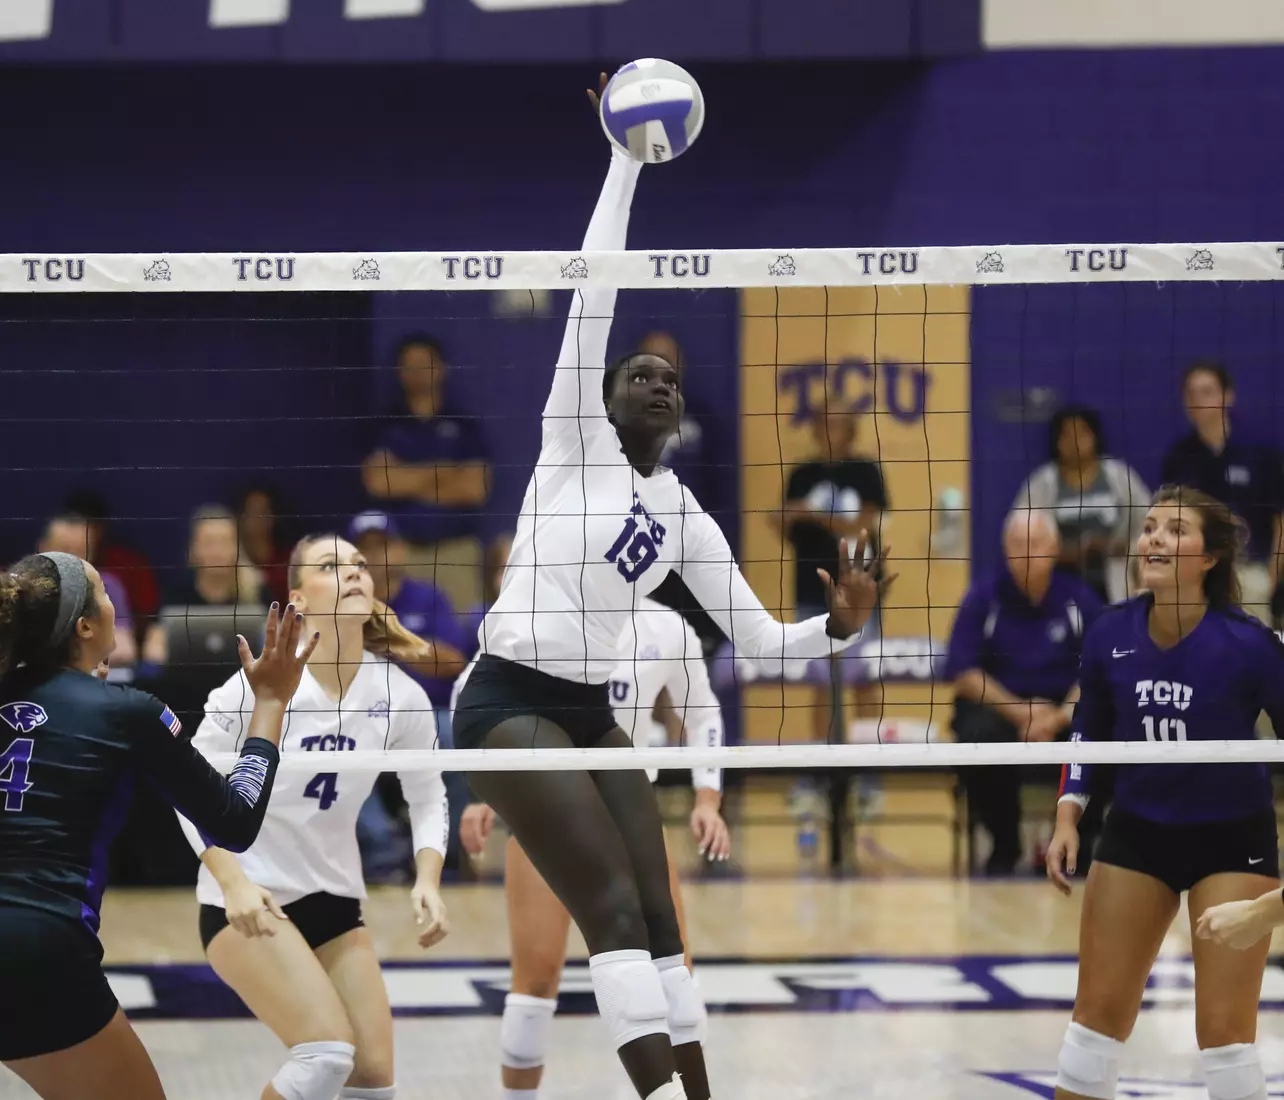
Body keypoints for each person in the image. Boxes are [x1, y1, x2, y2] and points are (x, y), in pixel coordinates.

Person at [451, 82, 887, 1100]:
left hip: (592, 712)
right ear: (602, 395)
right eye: (638, 372)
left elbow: (765, 640)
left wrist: (840, 626)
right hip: (507, 697)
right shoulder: (573, 440)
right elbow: (596, 284)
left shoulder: (687, 514)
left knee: (657, 917)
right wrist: (626, 158)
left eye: (670, 380)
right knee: (604, 905)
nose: (657, 381)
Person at [0, 553, 313, 1100]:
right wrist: (269, 702)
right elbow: (235, 823)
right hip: (37, 946)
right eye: (101, 591)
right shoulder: (126, 712)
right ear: (85, 626)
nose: (113, 601)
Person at [177, 533, 452, 1100]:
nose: (352, 572)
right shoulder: (257, 685)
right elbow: (183, 785)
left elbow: (428, 793)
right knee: (326, 1056)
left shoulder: (398, 694)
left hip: (332, 896)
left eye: (357, 565)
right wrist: (233, 883)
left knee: (373, 1079)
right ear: (298, 599)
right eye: (331, 566)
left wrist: (428, 877)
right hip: (250, 899)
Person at [1046, 485, 1284, 1100]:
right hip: (1138, 832)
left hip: (1233, 840)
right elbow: (1088, 733)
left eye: (1175, 530)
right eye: (1149, 527)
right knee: (1093, 1024)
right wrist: (1069, 815)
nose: (1153, 538)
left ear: (1209, 558)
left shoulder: (1250, 644)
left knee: (1226, 1039)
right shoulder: (1108, 633)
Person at [458, 594, 731, 1100]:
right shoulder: (543, 607)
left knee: (673, 973)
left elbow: (703, 711)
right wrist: (482, 796)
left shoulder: (667, 626)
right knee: (535, 984)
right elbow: (477, 692)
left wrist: (708, 798)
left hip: (630, 815)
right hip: (549, 810)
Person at [944, 510, 1102, 875]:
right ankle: (1004, 844)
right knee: (977, 736)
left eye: (1034, 543)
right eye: (1016, 544)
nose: (1026, 553)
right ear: (1004, 550)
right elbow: (963, 672)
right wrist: (1022, 712)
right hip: (1002, 711)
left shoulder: (1079, 598)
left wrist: (1059, 715)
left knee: (1102, 728)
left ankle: (1080, 842)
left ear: (1054, 548)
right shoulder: (983, 597)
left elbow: (1099, 669)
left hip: (1064, 709)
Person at [346, 510, 469, 880]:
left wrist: (396, 642)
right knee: (337, 741)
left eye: (383, 546)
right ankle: (385, 848)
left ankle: (450, 850)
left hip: (426, 712)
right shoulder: (343, 604)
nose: (375, 557)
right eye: (364, 549)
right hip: (360, 714)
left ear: (399, 550)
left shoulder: (429, 597)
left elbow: (454, 662)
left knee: (452, 736)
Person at [1161, 361, 1284, 623]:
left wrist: (1273, 578)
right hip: (1197, 576)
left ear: (1228, 396)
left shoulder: (1261, 453)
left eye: (1206, 391)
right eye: (1190, 393)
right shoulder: (1178, 458)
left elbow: (1280, 522)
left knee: (1253, 652)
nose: (1197, 400)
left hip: (1252, 573)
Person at [361, 334, 492, 545]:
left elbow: (474, 489)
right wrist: (445, 472)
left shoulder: (464, 426)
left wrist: (405, 478)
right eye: (410, 365)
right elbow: (379, 484)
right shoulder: (384, 426)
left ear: (441, 368)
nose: (418, 372)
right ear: (400, 372)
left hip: (457, 549)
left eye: (424, 364)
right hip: (399, 548)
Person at [1012, 406, 1150, 604]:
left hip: (1117, 581)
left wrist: (1121, 548)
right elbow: (1020, 535)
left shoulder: (1119, 475)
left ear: (1095, 436)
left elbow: (1150, 523)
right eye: (1067, 435)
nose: (1075, 442)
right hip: (1059, 584)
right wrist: (1065, 553)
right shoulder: (1042, 482)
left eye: (1082, 433)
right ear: (1057, 441)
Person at [142, 504, 273, 667]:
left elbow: (277, 644)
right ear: (193, 549)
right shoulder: (176, 592)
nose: (217, 551)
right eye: (209, 543)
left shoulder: (257, 591)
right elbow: (152, 648)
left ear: (237, 548)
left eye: (224, 542)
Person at [37, 514, 137, 669]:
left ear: (92, 553)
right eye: (64, 551)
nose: (71, 560)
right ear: (43, 549)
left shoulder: (108, 586)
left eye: (80, 551)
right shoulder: (24, 586)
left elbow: (124, 650)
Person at [61, 488, 160, 627]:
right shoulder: (36, 583)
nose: (78, 535)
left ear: (101, 528)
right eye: (65, 547)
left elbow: (148, 615)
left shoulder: (113, 581)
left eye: (89, 527)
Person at [237, 484, 291, 605]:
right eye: (252, 512)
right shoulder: (232, 560)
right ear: (242, 517)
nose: (258, 518)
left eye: (263, 511)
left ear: (272, 517)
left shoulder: (288, 561)